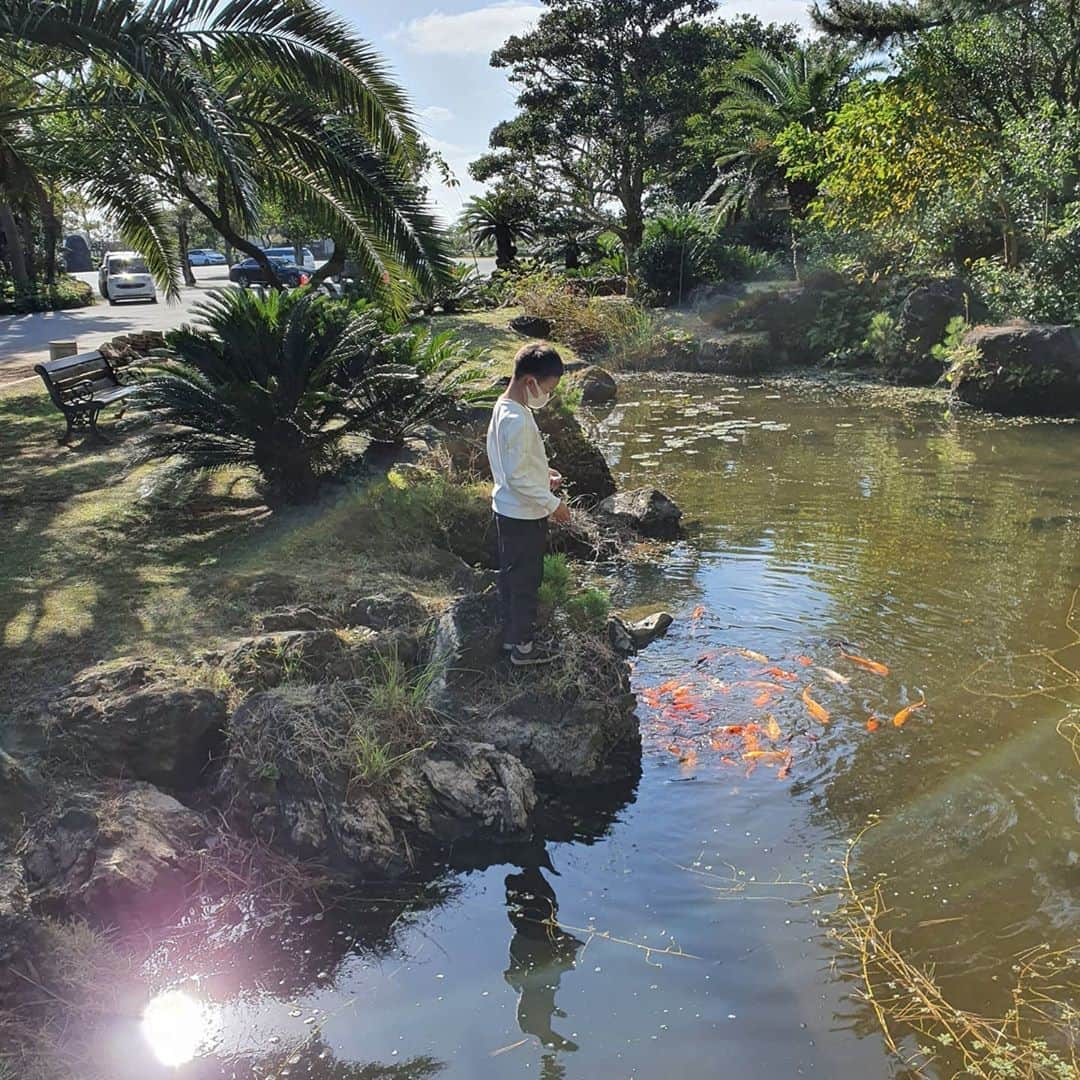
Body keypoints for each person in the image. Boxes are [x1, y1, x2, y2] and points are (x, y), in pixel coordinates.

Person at [487, 343, 571, 667]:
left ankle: (511, 639)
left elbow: (513, 463)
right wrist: (553, 504)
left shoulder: (505, 406)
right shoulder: (517, 419)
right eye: (548, 389)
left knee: (512, 578)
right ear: (530, 382)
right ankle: (523, 649)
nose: (547, 396)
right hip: (522, 515)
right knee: (525, 582)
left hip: (508, 509)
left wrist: (542, 472)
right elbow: (517, 478)